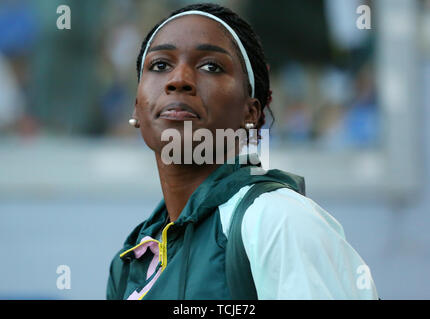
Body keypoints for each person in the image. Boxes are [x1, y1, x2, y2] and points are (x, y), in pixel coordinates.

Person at [106, 3, 378, 300]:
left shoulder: (278, 220)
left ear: (250, 113)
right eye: (160, 65)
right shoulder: (132, 257)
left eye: (211, 66)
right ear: (136, 108)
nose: (178, 80)